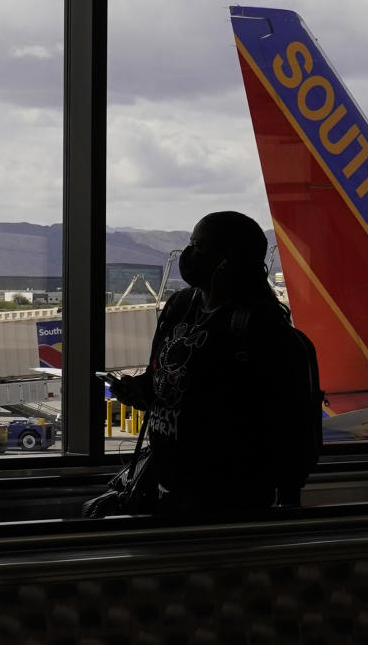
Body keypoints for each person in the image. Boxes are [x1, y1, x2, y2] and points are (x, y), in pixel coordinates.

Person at [109, 210, 301, 513]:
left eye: (198, 246)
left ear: (227, 259)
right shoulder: (180, 307)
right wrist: (141, 390)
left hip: (225, 497)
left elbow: (286, 421)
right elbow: (164, 380)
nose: (188, 254)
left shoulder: (260, 329)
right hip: (165, 485)